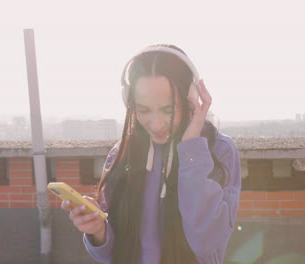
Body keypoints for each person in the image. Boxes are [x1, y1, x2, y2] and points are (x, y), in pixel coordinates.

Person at [61, 44, 241, 264]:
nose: (155, 124)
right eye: (144, 110)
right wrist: (98, 231)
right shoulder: (122, 153)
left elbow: (205, 243)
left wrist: (191, 150)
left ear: (191, 99)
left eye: (168, 109)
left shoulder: (218, 151)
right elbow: (110, 255)